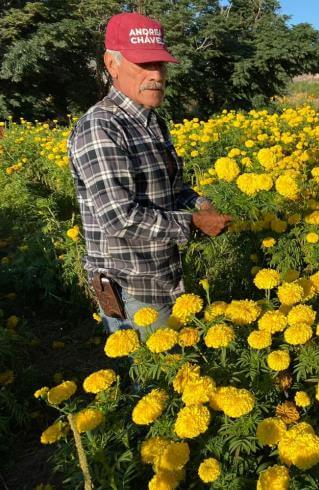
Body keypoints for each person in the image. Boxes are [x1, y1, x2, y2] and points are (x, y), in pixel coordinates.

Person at [68, 12, 231, 338]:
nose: (156, 75)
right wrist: (193, 224)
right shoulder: (101, 126)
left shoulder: (153, 121)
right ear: (112, 64)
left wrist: (201, 203)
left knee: (175, 373)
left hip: (163, 275)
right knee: (156, 381)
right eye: (144, 65)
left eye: (160, 64)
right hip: (132, 288)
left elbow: (171, 188)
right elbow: (120, 218)